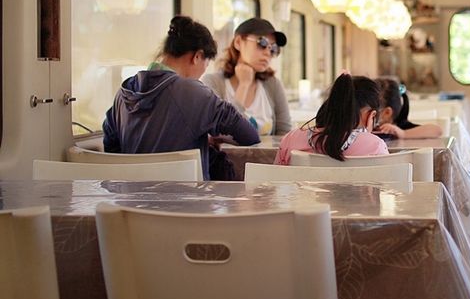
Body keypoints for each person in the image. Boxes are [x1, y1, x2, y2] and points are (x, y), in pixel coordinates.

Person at [103, 15, 260, 180]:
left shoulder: (123, 93)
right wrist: (215, 136)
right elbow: (250, 135)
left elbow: (111, 148)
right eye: (205, 66)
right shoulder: (194, 92)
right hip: (186, 195)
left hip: (130, 194)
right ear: (197, 56)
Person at [202, 17, 292, 136]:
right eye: (262, 43)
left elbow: (285, 134)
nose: (267, 52)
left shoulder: (273, 84)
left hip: (269, 150)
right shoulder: (213, 82)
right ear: (238, 42)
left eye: (273, 48)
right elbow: (219, 133)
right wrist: (244, 84)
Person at [274, 73, 388, 165]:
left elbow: (277, 182)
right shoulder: (375, 147)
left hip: (302, 188)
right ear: (371, 116)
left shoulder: (291, 139)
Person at [375, 78, 443, 139]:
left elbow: (437, 130)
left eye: (372, 111)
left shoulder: (401, 126)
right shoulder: (370, 128)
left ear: (387, 113)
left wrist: (404, 134)